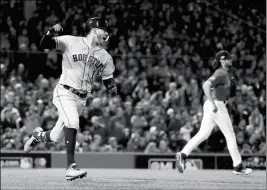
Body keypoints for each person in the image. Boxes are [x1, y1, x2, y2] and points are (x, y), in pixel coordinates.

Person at [24, 17, 117, 180]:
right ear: (94, 30)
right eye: (104, 29)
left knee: (55, 136)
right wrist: (50, 32)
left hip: (81, 99)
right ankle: (71, 167)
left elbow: (108, 79)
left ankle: (37, 136)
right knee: (73, 122)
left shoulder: (105, 56)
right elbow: (44, 45)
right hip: (65, 91)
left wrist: (112, 86)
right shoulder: (70, 41)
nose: (106, 33)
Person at [175, 50, 252, 175]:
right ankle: (238, 166)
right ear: (222, 60)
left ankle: (183, 155)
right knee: (230, 135)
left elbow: (224, 93)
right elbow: (206, 85)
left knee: (203, 134)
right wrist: (212, 102)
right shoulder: (220, 73)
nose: (231, 60)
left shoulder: (226, 74)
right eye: (228, 58)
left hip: (214, 105)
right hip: (216, 105)